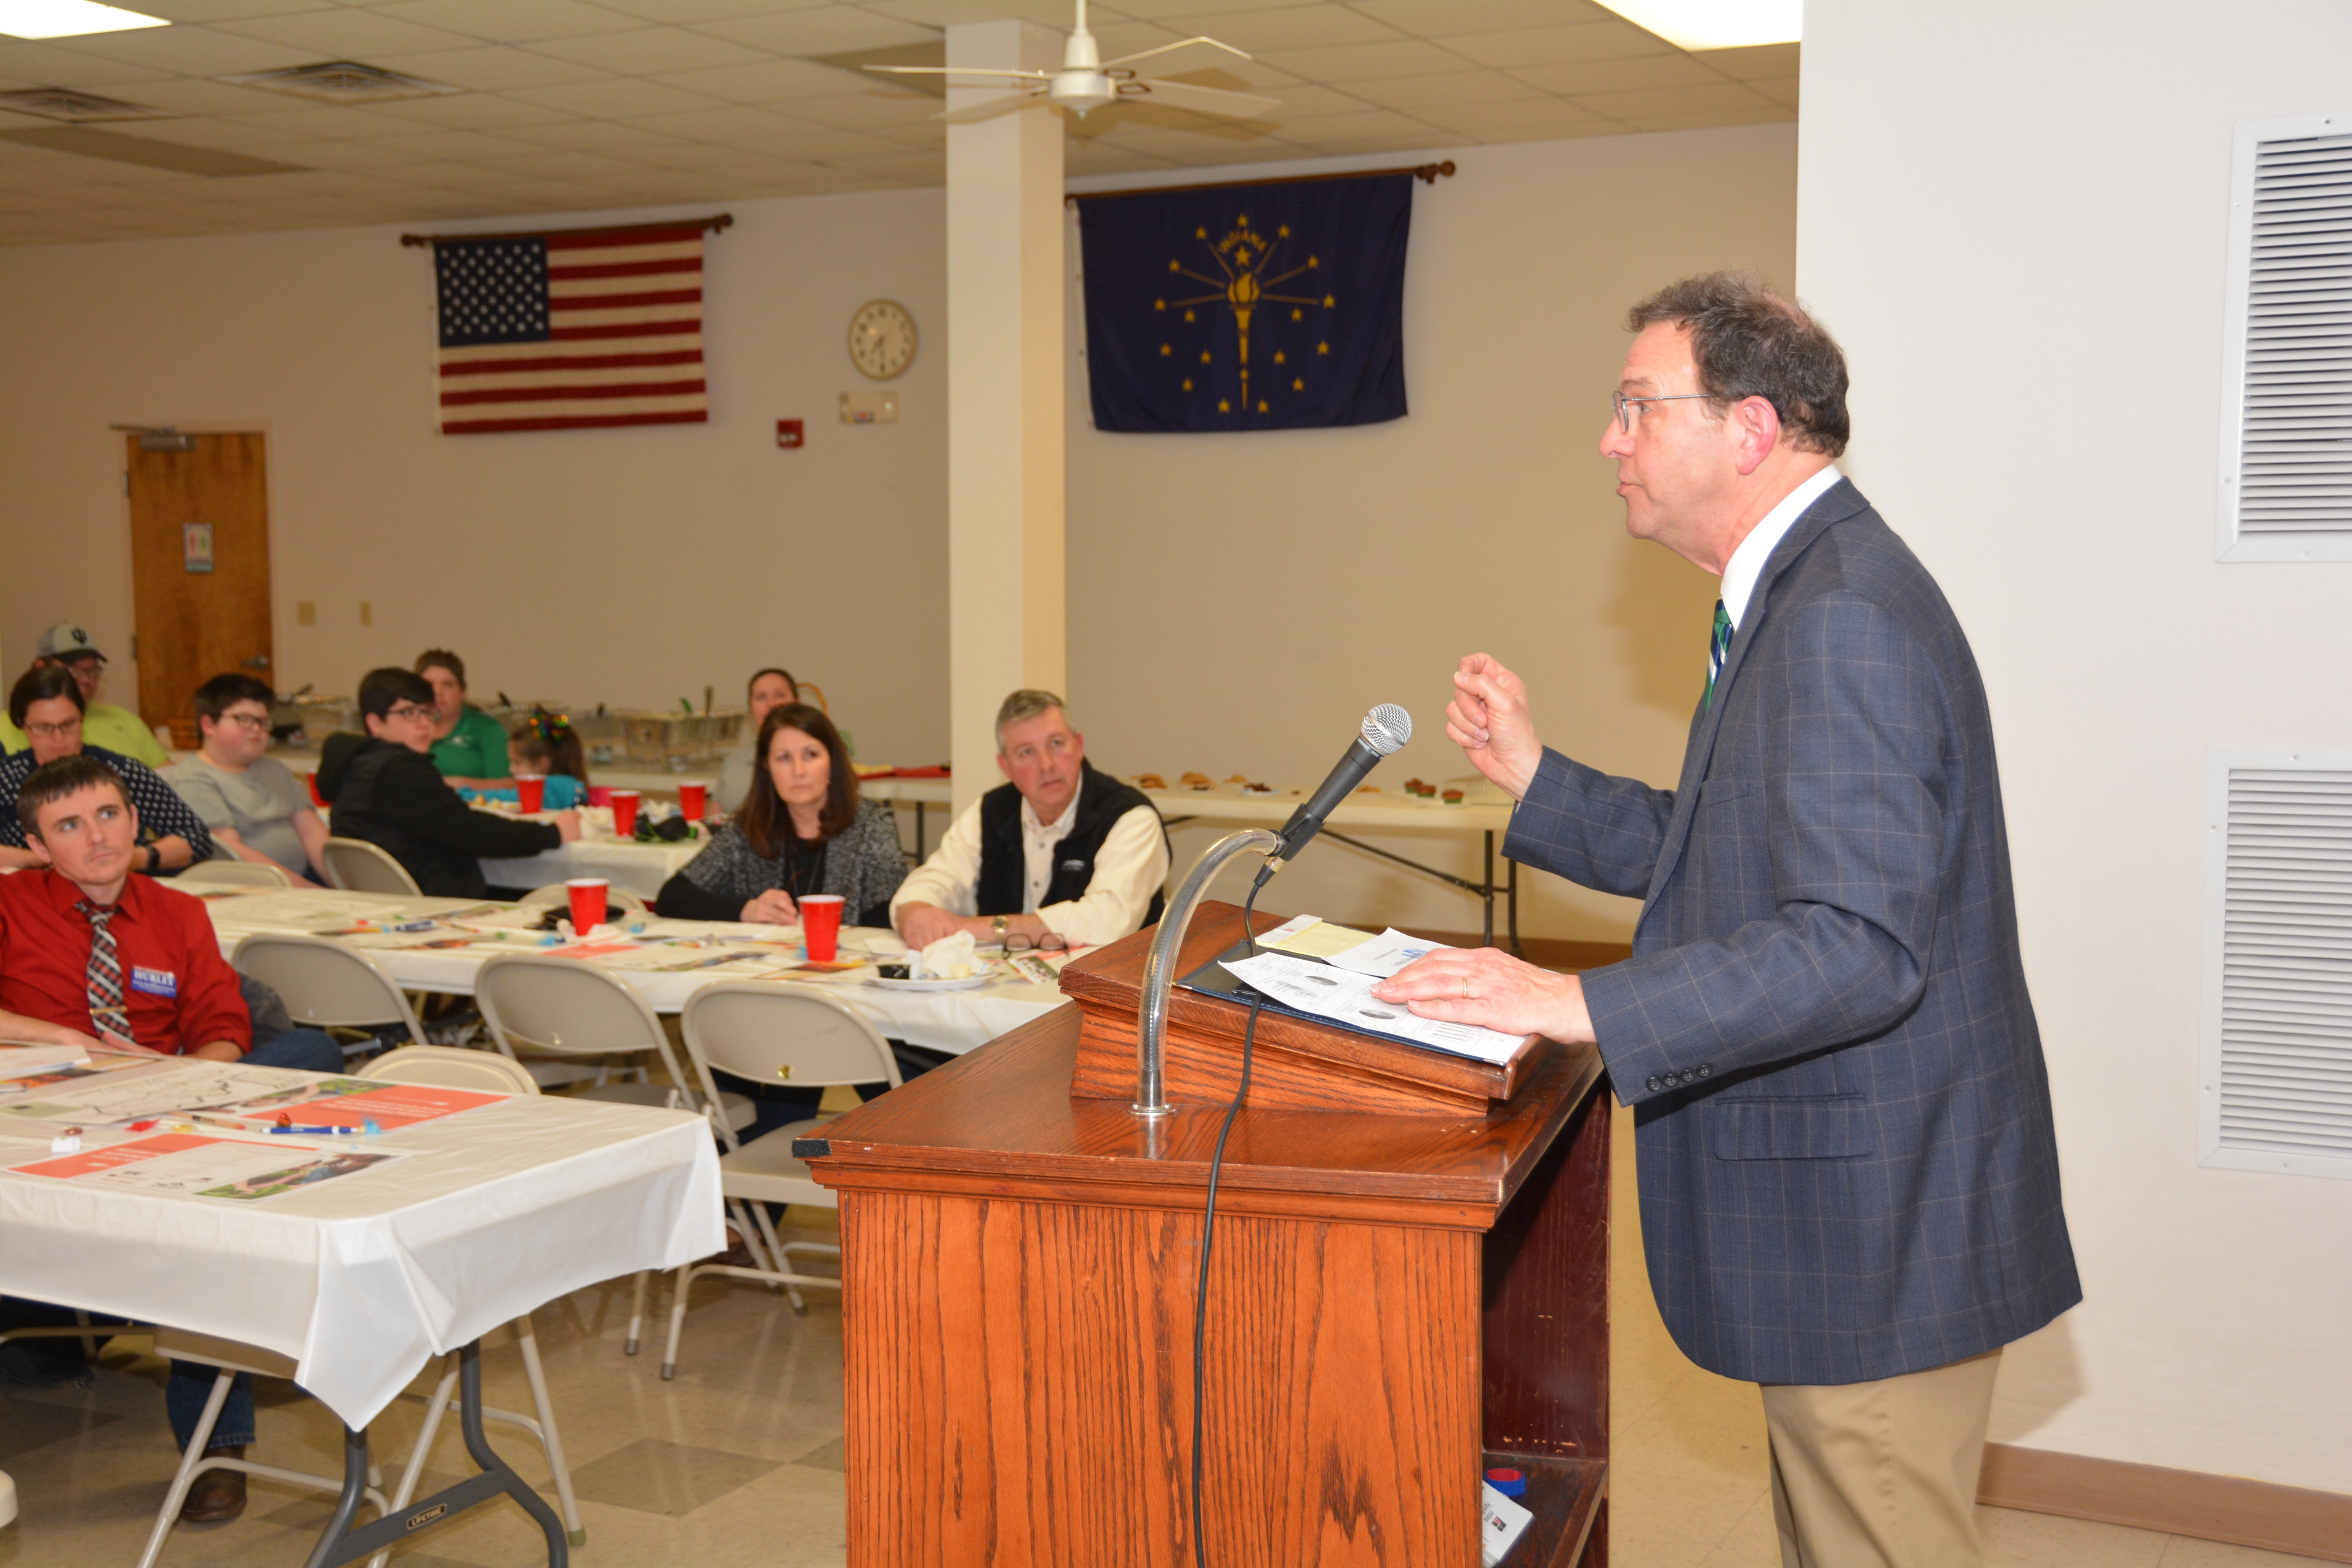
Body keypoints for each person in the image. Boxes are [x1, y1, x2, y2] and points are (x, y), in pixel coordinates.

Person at [1371, 274, 2079, 1568]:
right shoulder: (1799, 591)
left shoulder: (1839, 619)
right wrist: (1541, 780)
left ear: (1748, 429)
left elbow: (1856, 946)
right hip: (1866, 1224)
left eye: (1639, 408)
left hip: (1876, 1236)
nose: (1609, 440)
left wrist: (1574, 1001)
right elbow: (1734, 859)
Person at [0, 753, 342, 1524]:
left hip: (172, 1097)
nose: (97, 837)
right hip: (50, 1104)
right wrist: (67, 1038)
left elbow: (225, 1023)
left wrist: (186, 1079)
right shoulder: (9, 904)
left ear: (134, 817)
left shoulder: (178, 912)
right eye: (69, 825)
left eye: (110, 814)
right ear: (38, 842)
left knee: (309, 1058)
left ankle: (218, 1447)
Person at [891, 689, 1169, 952]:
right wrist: (916, 915)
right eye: (1027, 752)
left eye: (1056, 744)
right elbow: (933, 881)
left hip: (1108, 995)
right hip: (1004, 989)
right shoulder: (990, 811)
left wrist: (973, 928)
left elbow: (1106, 922)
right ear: (1005, 767)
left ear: (1080, 746)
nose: (1046, 765)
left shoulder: (1130, 817)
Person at [317, 668, 577, 899]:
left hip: (382, 903)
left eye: (428, 712)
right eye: (408, 713)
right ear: (376, 723)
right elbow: (470, 831)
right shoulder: (399, 771)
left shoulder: (357, 763)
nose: (423, 724)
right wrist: (552, 834)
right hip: (429, 905)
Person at [658, 703, 905, 928]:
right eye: (784, 758)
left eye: (811, 755)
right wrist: (747, 909)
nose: (798, 771)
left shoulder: (872, 825)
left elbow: (892, 912)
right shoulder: (747, 828)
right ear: (767, 767)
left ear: (832, 761)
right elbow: (673, 896)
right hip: (761, 973)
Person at [0, 666, 211, 873]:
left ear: (83, 719)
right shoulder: (8, 778)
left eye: (68, 725)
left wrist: (134, 859)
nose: (58, 739)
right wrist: (46, 860)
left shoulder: (122, 772)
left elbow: (196, 838)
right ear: (21, 724)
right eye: (43, 728)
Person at [169, 673, 328, 885]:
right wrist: (309, 891)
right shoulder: (192, 780)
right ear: (209, 725)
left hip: (305, 881)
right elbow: (233, 853)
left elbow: (312, 832)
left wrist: (341, 885)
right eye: (243, 720)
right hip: (250, 888)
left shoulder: (275, 769)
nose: (257, 730)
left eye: (263, 722)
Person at [0, 622, 170, 767]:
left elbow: (169, 777)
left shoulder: (126, 721)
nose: (86, 679)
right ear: (40, 668)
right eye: (74, 669)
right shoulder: (5, 729)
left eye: (92, 670)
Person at [414, 649, 509, 789]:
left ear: (462, 691)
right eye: (429, 684)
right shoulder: (403, 728)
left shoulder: (488, 730)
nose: (437, 692)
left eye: (447, 684)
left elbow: (510, 786)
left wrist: (461, 785)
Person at [715, 667, 797, 812]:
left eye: (780, 696)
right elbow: (714, 822)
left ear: (797, 703)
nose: (771, 704)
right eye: (761, 697)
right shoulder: (734, 761)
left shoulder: (816, 760)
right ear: (751, 708)